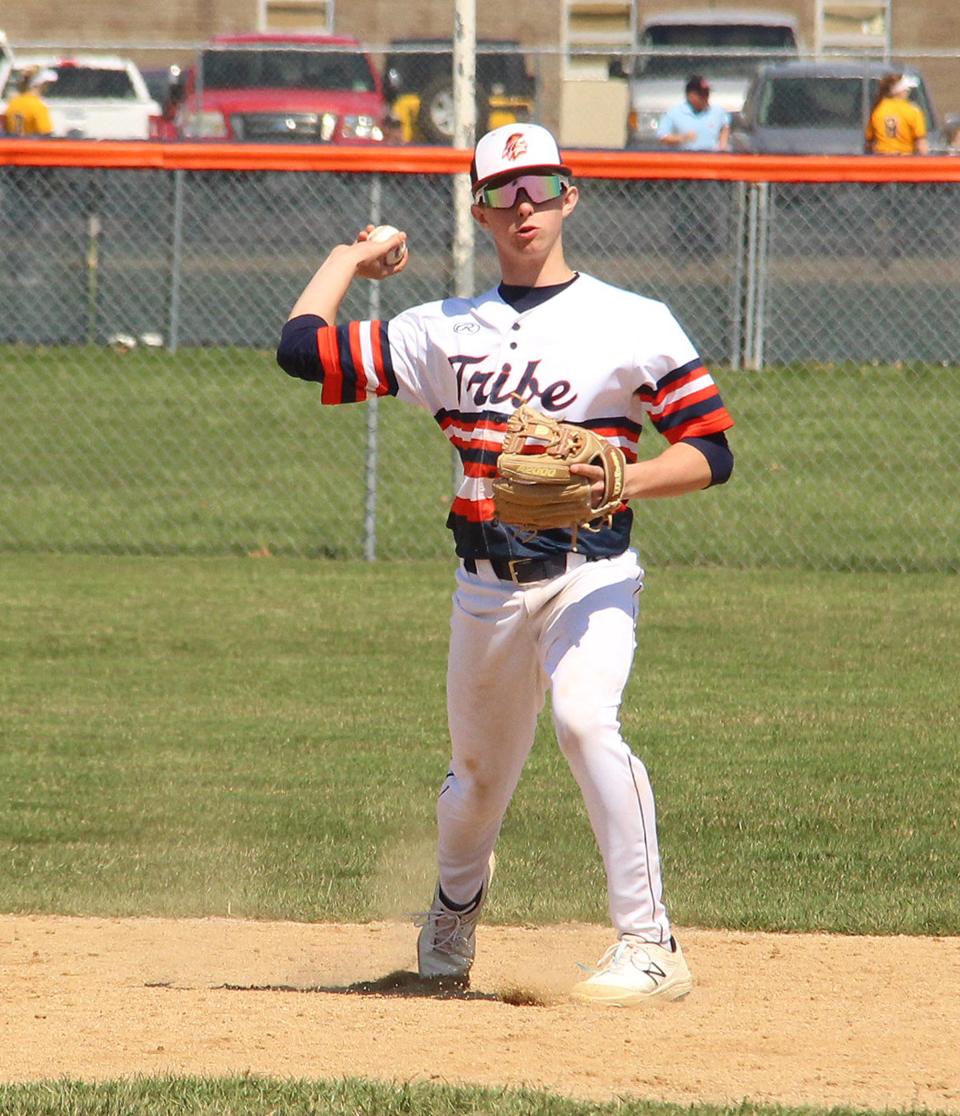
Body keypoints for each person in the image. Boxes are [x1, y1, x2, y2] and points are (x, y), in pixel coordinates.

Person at [276, 122, 734, 1005]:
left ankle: (651, 944)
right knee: (475, 786)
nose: (522, 206)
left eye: (539, 187)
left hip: (592, 572)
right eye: (501, 192)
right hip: (485, 589)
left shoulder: (633, 322)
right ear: (479, 210)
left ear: (570, 195)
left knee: (586, 721)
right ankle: (451, 917)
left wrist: (622, 479)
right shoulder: (441, 332)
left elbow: (712, 449)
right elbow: (302, 350)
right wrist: (347, 256)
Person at [657, 75, 729, 152]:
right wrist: (683, 138)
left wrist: (722, 145)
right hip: (686, 159)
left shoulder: (717, 111)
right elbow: (662, 137)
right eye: (702, 95)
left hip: (712, 159)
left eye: (707, 94)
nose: (706, 98)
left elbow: (725, 127)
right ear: (691, 96)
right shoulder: (674, 113)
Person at [865, 74, 928, 155]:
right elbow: (921, 143)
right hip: (905, 159)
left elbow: (869, 141)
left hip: (881, 158)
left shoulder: (878, 109)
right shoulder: (912, 110)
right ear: (901, 91)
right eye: (906, 89)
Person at [3, 66, 56, 137]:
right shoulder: (37, 106)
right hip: (32, 146)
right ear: (42, 84)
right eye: (47, 84)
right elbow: (46, 134)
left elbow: (6, 130)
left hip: (12, 146)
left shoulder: (12, 103)